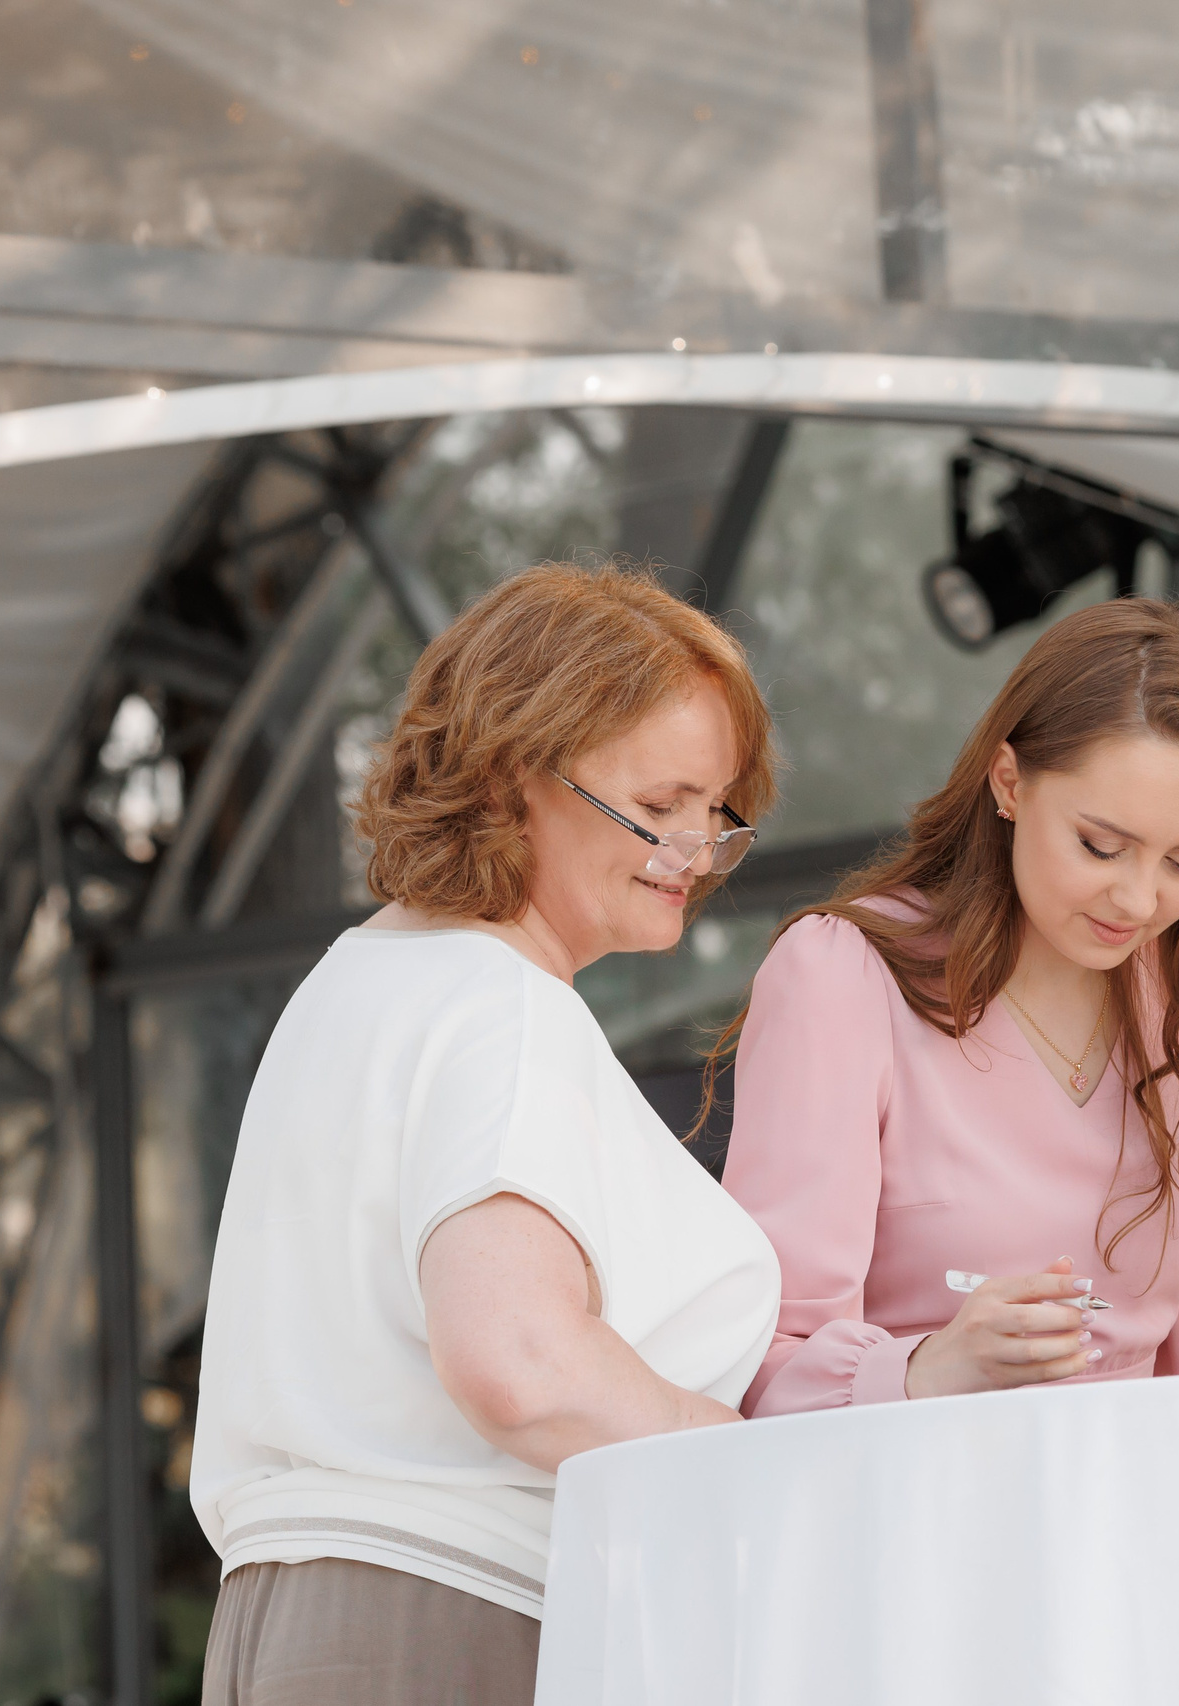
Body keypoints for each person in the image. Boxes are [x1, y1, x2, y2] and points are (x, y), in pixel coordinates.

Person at [190, 566, 785, 1706]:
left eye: (717, 810)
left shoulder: (362, 980)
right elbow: (522, 1367)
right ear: (516, 776)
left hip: (296, 1614)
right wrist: (730, 1449)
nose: (695, 849)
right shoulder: (502, 1006)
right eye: (657, 804)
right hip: (452, 1619)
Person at [718, 597, 1179, 1411]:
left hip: (1134, 1513)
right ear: (1009, 781)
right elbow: (758, 1364)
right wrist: (924, 1368)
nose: (1138, 899)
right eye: (1101, 845)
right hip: (914, 1501)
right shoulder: (844, 974)